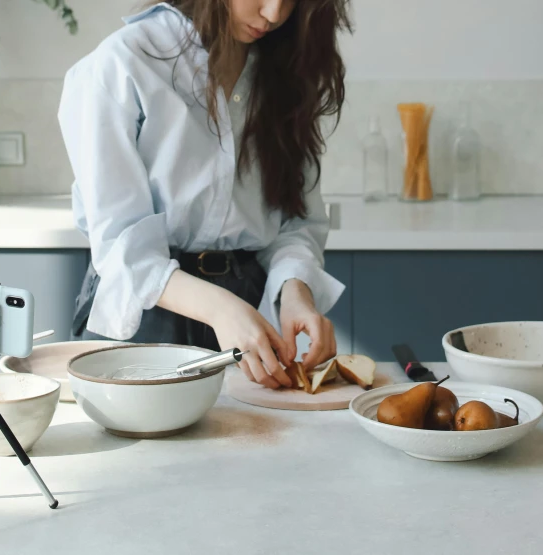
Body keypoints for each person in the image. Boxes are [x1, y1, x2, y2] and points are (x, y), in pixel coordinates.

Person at [58, 0, 352, 389]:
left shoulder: (284, 68)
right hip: (147, 311)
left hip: (248, 305)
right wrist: (222, 309)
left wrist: (294, 290)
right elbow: (122, 250)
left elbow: (295, 222)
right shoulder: (123, 62)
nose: (274, 13)